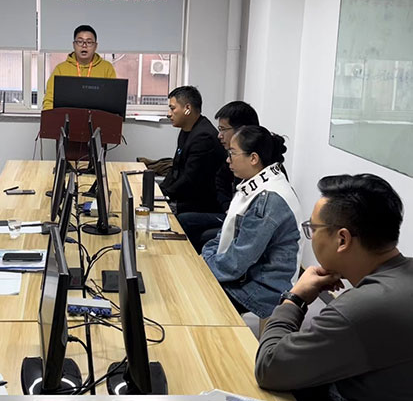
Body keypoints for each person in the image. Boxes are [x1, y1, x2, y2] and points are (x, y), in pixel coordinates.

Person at [256, 174, 413, 400]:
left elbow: (269, 367)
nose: (310, 236)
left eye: (313, 228)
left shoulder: (361, 308)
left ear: (342, 240)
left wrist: (294, 299)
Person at [202, 126, 304, 318]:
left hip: (263, 288)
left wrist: (205, 261)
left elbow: (235, 264)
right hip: (248, 274)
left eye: (232, 153)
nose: (228, 159)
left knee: (195, 295)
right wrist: (208, 257)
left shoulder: (269, 199)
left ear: (254, 158)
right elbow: (226, 235)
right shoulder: (259, 182)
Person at [177, 101, 259, 252]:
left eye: (223, 130)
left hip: (249, 224)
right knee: (184, 219)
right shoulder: (233, 154)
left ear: (242, 130)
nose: (219, 135)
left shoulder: (257, 160)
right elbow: (220, 180)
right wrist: (227, 206)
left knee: (205, 235)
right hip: (231, 214)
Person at [159, 86, 226, 214]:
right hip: (185, 197)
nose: (169, 114)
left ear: (187, 108)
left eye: (172, 108)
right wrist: (160, 190)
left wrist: (164, 195)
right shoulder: (187, 130)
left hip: (200, 204)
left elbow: (190, 179)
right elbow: (176, 168)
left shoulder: (203, 137)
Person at [42, 24, 116, 110]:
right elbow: (49, 101)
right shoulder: (60, 69)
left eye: (89, 42)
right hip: (68, 117)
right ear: (74, 45)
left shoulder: (107, 68)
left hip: (98, 117)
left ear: (95, 46)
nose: (84, 45)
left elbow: (113, 100)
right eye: (80, 41)